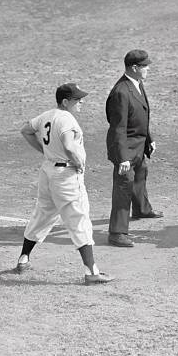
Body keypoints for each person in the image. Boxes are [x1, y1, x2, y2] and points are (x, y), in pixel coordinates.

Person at [16, 83, 113, 285]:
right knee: (79, 218)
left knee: (43, 213)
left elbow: (26, 130)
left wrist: (45, 151)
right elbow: (69, 145)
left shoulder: (46, 115)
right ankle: (91, 271)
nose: (81, 102)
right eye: (77, 100)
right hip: (66, 176)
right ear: (66, 101)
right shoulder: (67, 119)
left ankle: (24, 258)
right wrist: (76, 161)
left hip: (48, 171)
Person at [105, 50, 163, 247]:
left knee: (140, 174)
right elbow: (118, 127)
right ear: (134, 68)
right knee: (124, 186)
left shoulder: (137, 83)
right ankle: (117, 232)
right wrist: (122, 157)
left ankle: (142, 209)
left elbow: (142, 113)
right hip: (126, 147)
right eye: (145, 66)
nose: (148, 69)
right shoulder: (121, 92)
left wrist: (149, 138)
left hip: (138, 143)